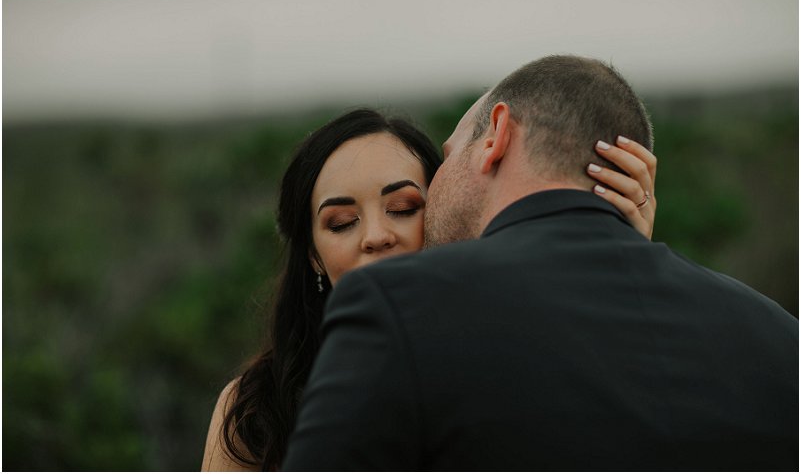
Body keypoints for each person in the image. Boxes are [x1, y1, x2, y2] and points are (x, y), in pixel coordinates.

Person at [283, 56, 799, 471]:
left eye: (449, 155)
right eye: (342, 221)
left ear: (495, 137)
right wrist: (620, 257)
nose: (434, 188)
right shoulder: (781, 337)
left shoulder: (400, 311)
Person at [201, 106, 658, 470]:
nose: (376, 235)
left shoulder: (516, 364)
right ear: (314, 255)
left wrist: (616, 259)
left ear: (442, 218)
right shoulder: (255, 408)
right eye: (341, 222)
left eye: (403, 208)